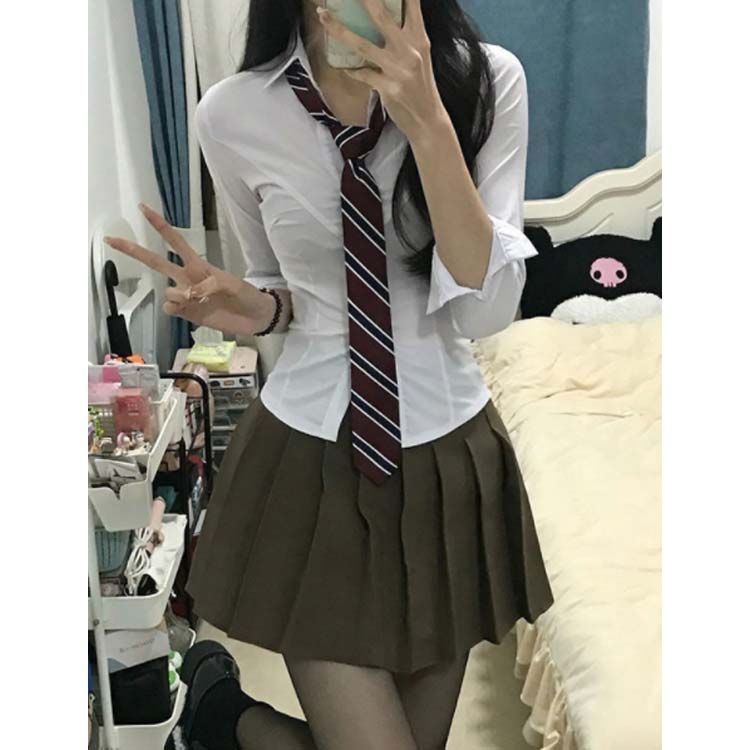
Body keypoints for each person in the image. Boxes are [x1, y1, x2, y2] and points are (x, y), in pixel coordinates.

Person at [106, 1, 553, 748]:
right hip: (307, 463)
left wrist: (429, 123)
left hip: (447, 463)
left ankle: (225, 719)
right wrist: (252, 306)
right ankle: (226, 717)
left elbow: (485, 312)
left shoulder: (484, 82)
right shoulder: (233, 113)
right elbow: (280, 290)